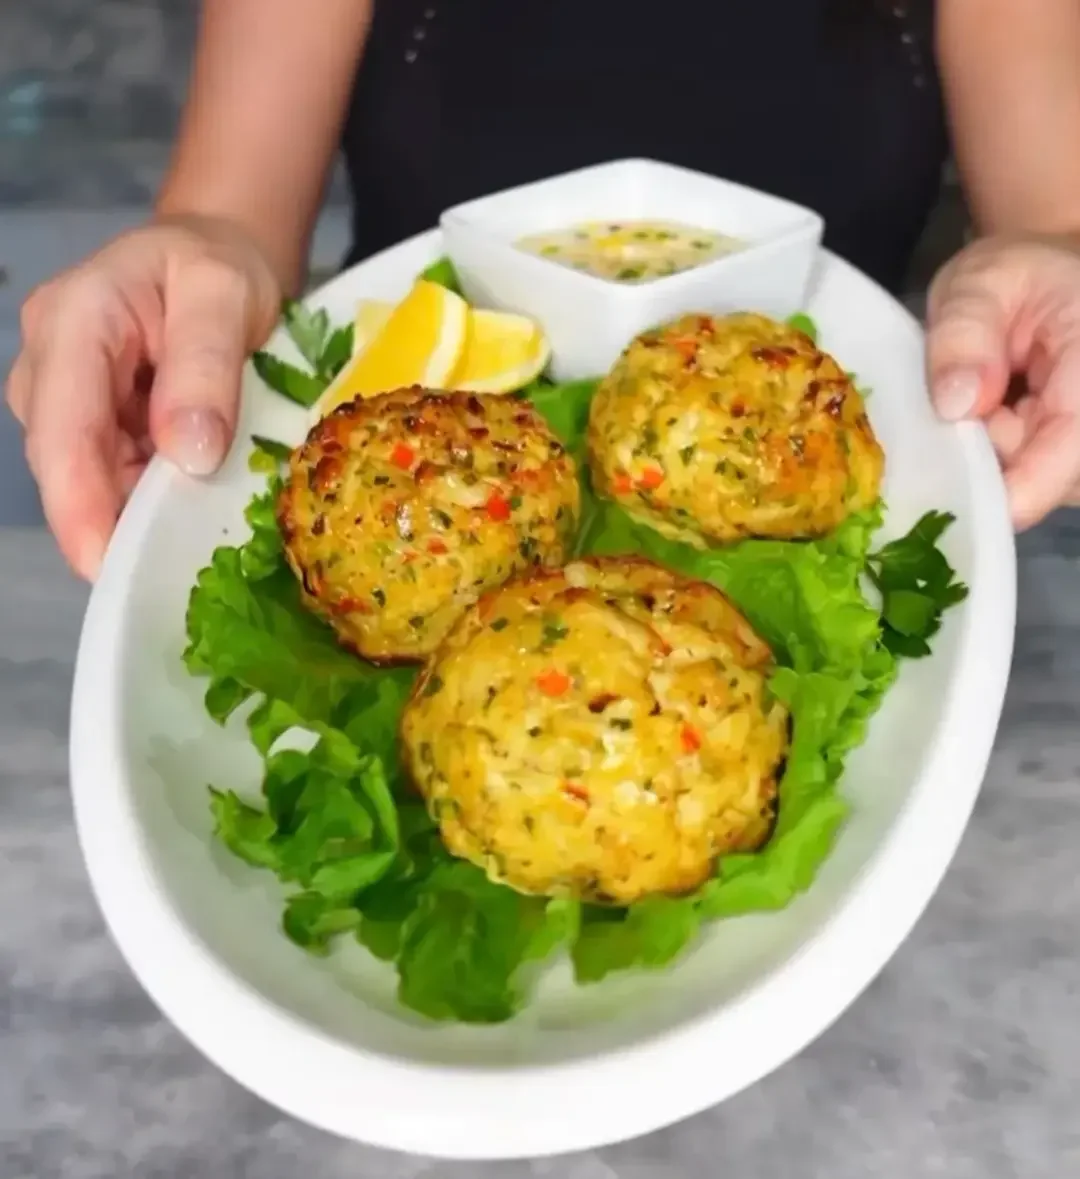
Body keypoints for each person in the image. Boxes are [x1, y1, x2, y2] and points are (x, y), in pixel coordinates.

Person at [8, 0, 1080, 580]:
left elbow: (1051, 222)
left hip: (859, 513)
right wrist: (194, 262)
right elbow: (227, 217)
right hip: (411, 426)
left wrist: (1055, 284)